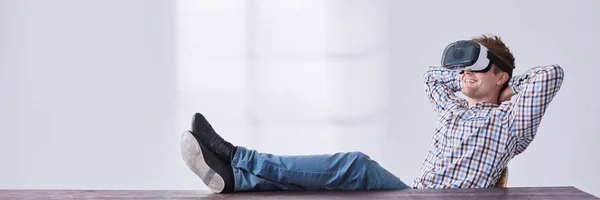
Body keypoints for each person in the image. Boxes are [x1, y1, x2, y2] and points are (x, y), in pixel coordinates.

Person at [179, 34, 564, 193]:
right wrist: (474, 74)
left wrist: (507, 89)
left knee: (355, 165)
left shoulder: (512, 122)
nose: (465, 73)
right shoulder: (452, 104)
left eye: (479, 66)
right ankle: (236, 177)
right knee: (341, 181)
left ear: (501, 76)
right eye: (463, 67)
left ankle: (237, 156)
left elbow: (552, 75)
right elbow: (432, 77)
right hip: (416, 195)